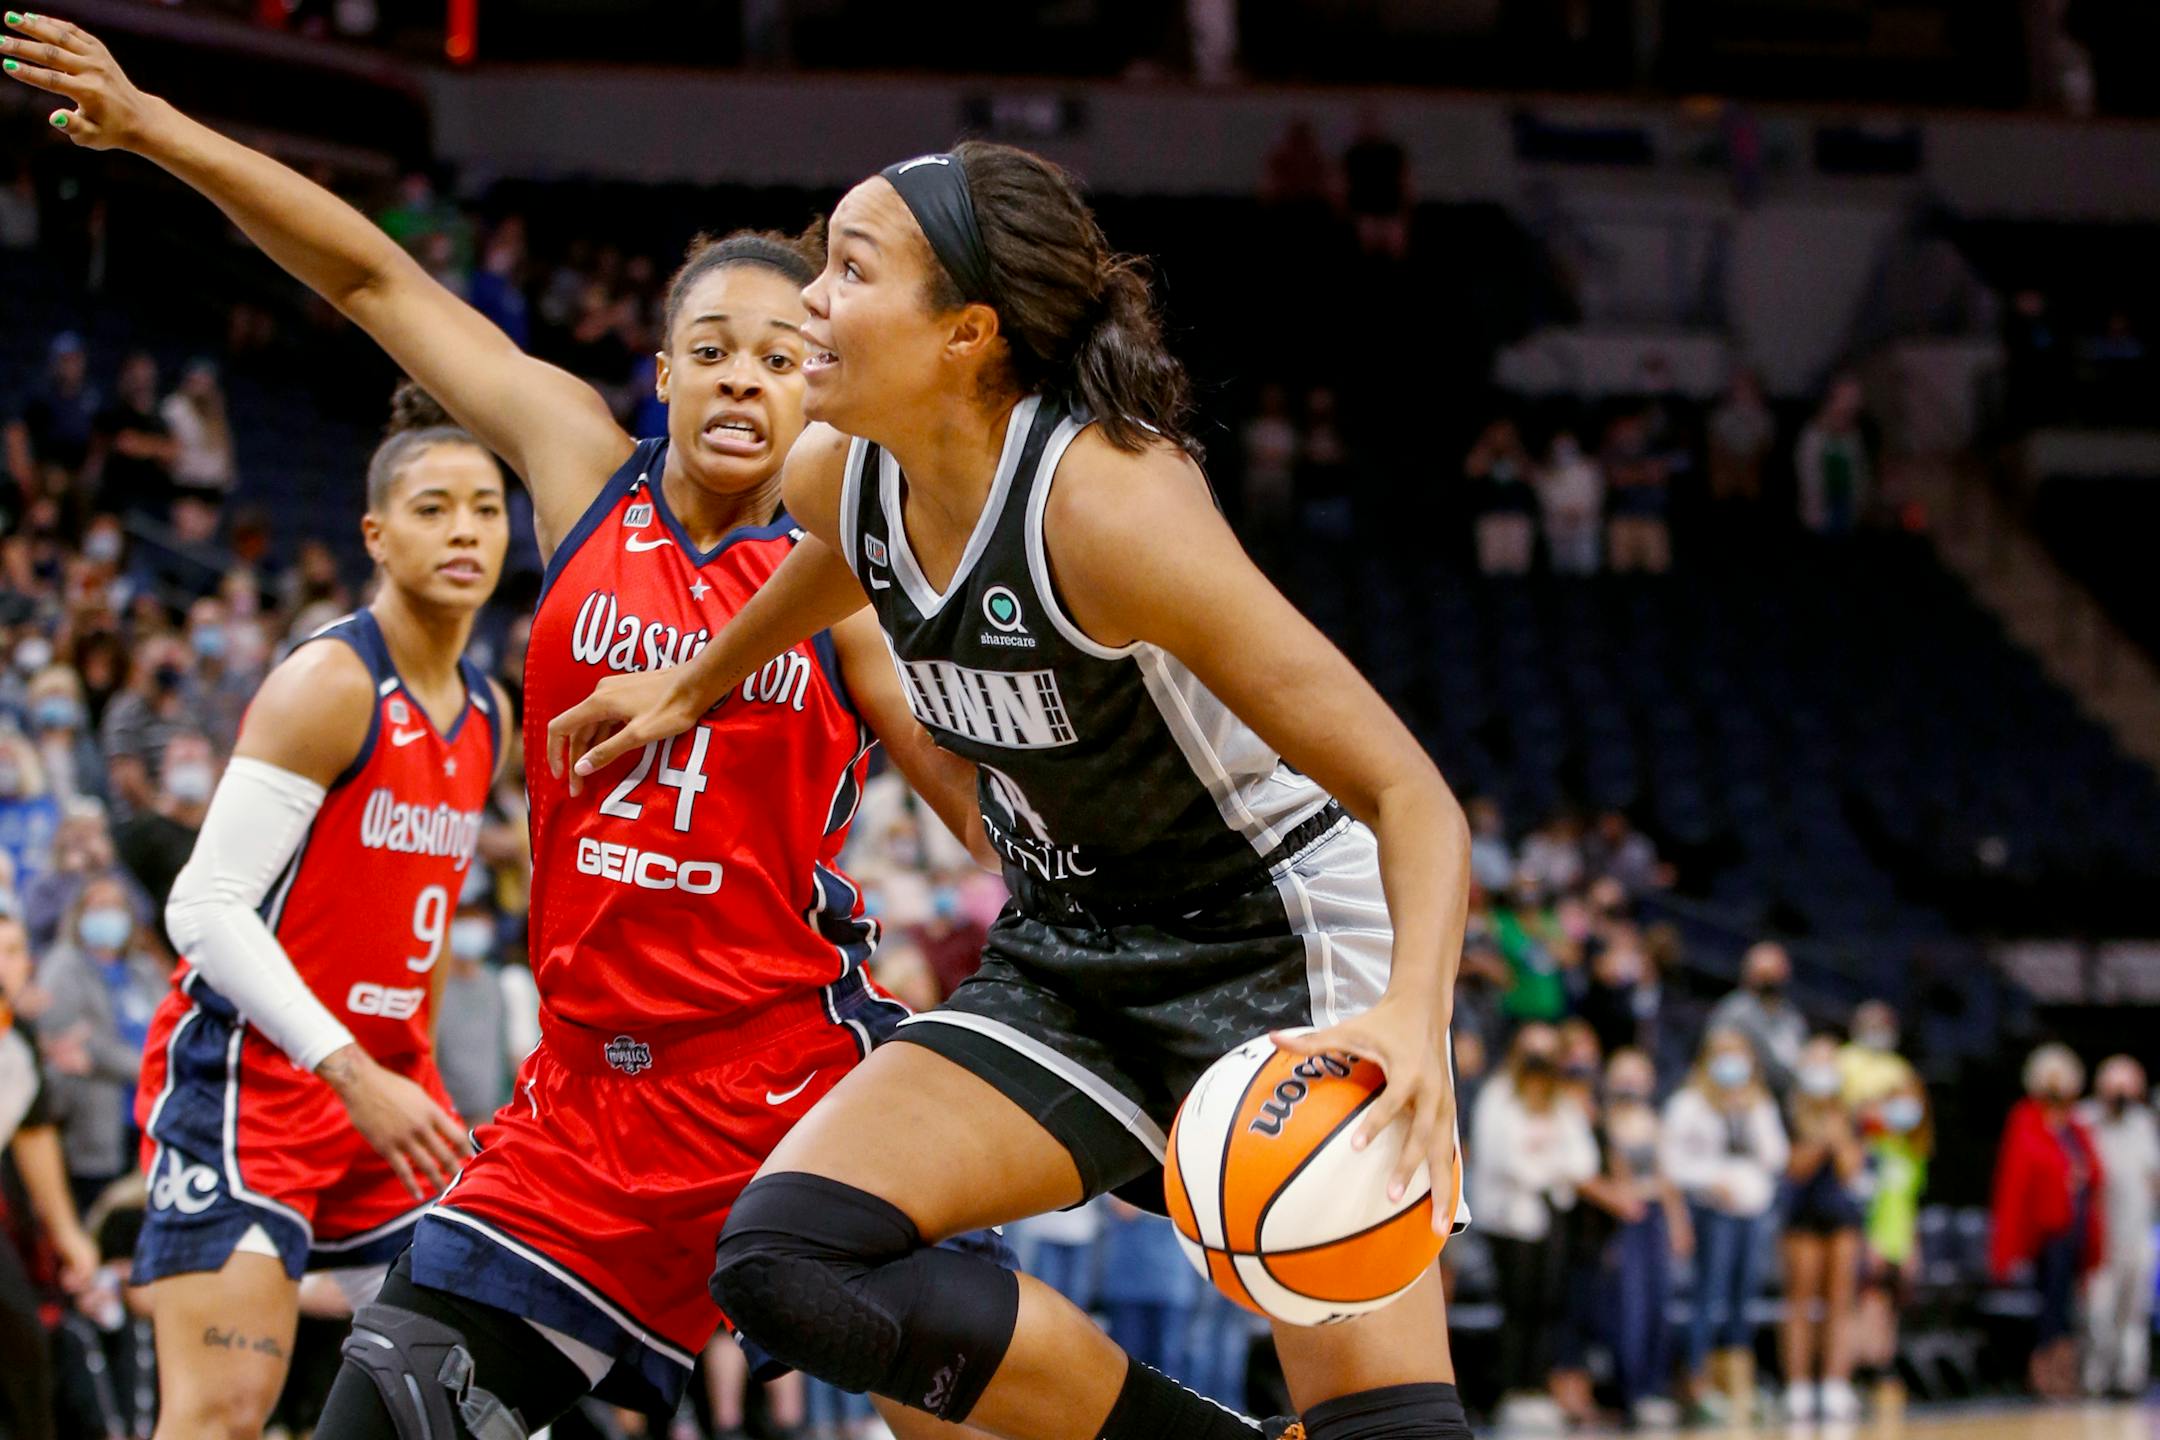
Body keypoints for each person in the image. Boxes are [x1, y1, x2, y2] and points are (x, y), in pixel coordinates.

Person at [5, 25, 1005, 1440]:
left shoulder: (842, 579)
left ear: (818, 394)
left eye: (780, 358)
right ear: (657, 377)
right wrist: (158, 126)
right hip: (583, 1109)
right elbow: (372, 277)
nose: (740, 379)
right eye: (708, 351)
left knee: (953, 1397)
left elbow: (984, 816)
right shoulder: (580, 470)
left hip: (781, 1074)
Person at [549, 141, 1475, 1440]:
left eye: (849, 272)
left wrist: (1405, 1020)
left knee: (1396, 1429)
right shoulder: (846, 468)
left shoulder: (1112, 506)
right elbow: (839, 553)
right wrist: (695, 684)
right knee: (788, 1263)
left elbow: (1410, 792)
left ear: (965, 334)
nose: (806, 299)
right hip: (1068, 951)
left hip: (1271, 944)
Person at [118, 385, 514, 1440]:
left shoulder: (487, 712)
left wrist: (405, 1071)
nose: (465, 528)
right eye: (433, 507)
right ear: (376, 535)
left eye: (485, 505)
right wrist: (354, 1071)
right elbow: (201, 906)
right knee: (222, 1415)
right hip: (255, 1086)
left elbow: (416, 919)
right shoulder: (331, 683)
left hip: (391, 1094)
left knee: (471, 1402)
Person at [1, 913, 104, 1440]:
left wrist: (68, 1234)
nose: (9, 966)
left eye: (16, 951)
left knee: (26, 1352)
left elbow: (33, 1133)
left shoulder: (15, 1035)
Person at [1468, 1024, 1595, 1430]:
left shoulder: (1561, 1102)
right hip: (1509, 1219)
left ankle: (1537, 1389)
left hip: (1551, 1213)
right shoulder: (1498, 1096)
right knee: (1517, 1307)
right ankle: (1511, 1392)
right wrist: (1549, 1168)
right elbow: (1500, 1158)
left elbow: (1583, 1159)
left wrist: (1546, 1167)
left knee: (1548, 1305)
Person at [1662, 1027, 1787, 1421]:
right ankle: (1696, 1380)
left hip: (1751, 1212)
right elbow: (1672, 1162)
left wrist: (1746, 1112)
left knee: (1742, 1299)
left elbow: (1776, 1156)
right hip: (1711, 1211)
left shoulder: (1758, 1104)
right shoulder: (1688, 1103)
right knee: (1709, 1295)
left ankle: (1736, 1384)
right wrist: (1709, 1181)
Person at [33, 871, 164, 1210]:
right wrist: (145, 1067)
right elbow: (76, 1037)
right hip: (97, 1116)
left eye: (116, 906)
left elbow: (167, 1022)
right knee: (102, 1210)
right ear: (79, 913)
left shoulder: (142, 967)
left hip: (150, 1112)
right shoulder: (63, 965)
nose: (108, 914)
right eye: (98, 906)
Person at [1989, 1043, 2103, 1399]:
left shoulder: (2074, 1124)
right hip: (2043, 1232)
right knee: (2048, 1308)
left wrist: (2081, 1175)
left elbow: (2095, 1168)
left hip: (2075, 1229)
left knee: (2069, 1309)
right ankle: (2042, 1376)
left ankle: (2067, 1373)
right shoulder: (2026, 1118)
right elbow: (2020, 1176)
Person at [1594, 1047, 1688, 1428]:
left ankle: (1654, 1386)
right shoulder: (1605, 1122)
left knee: (1658, 1303)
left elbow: (1665, 1179)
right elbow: (1614, 1175)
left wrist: (1679, 1223)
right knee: (1629, 1307)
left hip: (1653, 1219)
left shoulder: (1653, 1120)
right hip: (1624, 1220)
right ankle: (1631, 1391)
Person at [1778, 1036, 1866, 1421]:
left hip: (1841, 1215)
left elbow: (1852, 1170)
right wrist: (1818, 1141)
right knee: (1800, 1299)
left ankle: (1835, 1384)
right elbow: (1793, 1169)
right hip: (1802, 1216)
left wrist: (1839, 1136)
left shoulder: (1850, 1114)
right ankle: (1797, 1386)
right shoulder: (1790, 1111)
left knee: (1840, 1301)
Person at [2080, 1056, 2159, 1398]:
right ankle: (2096, 1379)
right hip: (2098, 1236)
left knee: (2134, 1312)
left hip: (2137, 1233)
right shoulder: (2085, 1121)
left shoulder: (2144, 1124)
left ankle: (2130, 1378)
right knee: (2098, 1312)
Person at [1855, 1073, 1928, 1417]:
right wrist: (1870, 1240)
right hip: (1874, 1238)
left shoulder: (1913, 1152)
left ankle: (1883, 1372)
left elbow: (1909, 1202)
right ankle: (1862, 1374)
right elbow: (1866, 1197)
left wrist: (1913, 1246)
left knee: (1891, 1311)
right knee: (1870, 1304)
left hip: (1899, 1239)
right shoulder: (1875, 1145)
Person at [1705, 941, 1807, 1099]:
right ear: (1748, 973)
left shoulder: (1792, 1018)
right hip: (1741, 1095)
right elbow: (1715, 1058)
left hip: (1786, 1099)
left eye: (1773, 973)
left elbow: (1799, 1062)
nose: (1768, 980)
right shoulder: (1734, 1012)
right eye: (1762, 974)